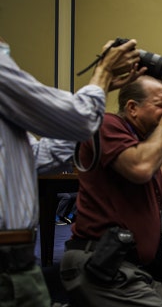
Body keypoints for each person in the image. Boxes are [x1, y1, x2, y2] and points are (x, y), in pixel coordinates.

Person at [0, 36, 142, 307]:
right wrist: (102, 72)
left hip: (17, 256)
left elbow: (38, 157)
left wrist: (100, 91)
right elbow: (79, 119)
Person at [59, 75, 162, 307]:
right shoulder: (107, 125)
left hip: (131, 268)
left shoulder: (149, 155)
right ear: (132, 108)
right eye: (161, 105)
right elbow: (139, 168)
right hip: (99, 262)